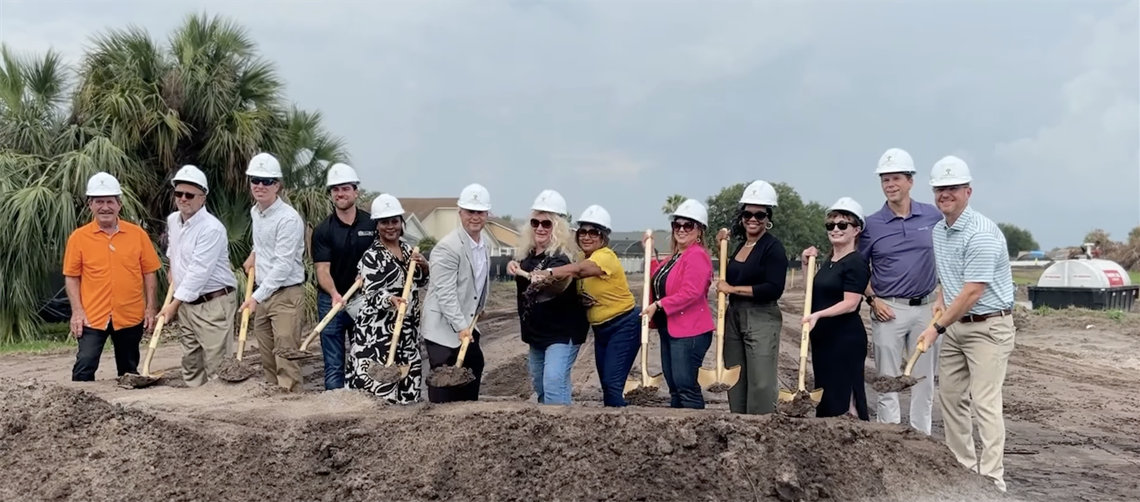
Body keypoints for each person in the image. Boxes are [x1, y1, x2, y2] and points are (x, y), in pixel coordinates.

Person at [916, 155, 1015, 493]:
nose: (945, 194)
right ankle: (963, 469)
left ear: (968, 191)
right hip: (957, 325)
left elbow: (973, 290)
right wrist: (942, 299)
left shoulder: (982, 233)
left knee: (984, 401)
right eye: (940, 189)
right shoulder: (939, 231)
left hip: (988, 327)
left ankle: (991, 478)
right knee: (952, 397)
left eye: (953, 188)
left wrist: (936, 327)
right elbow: (951, 277)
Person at [858, 148, 945, 434]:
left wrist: (942, 296)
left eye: (896, 178)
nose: (890, 184)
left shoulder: (933, 217)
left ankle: (922, 440)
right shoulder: (871, 225)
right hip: (889, 310)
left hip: (926, 309)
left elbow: (948, 256)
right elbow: (857, 269)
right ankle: (891, 438)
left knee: (923, 380)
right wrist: (871, 299)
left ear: (910, 181)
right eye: (885, 179)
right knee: (888, 380)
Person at [63, 172, 161, 381]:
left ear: (119, 204)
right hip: (92, 317)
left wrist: (151, 308)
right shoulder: (78, 238)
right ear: (90, 204)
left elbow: (149, 272)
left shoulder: (137, 235)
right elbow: (72, 277)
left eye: (110, 201)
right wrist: (77, 312)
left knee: (128, 370)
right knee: (84, 366)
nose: (104, 207)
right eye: (99, 201)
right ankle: (79, 410)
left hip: (129, 315)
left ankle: (128, 409)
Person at [540, 205, 640, 407]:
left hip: (623, 325)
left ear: (603, 237)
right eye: (583, 232)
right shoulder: (581, 257)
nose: (586, 237)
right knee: (606, 384)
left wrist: (548, 273)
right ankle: (613, 422)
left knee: (612, 384)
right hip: (601, 329)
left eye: (593, 232)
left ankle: (625, 427)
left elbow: (579, 271)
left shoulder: (605, 256)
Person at [506, 190, 589, 405]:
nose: (540, 228)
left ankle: (562, 431)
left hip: (562, 332)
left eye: (547, 224)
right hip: (536, 333)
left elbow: (555, 283)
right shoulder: (528, 255)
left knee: (553, 382)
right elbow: (525, 275)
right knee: (541, 385)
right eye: (535, 223)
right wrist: (514, 266)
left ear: (557, 227)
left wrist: (542, 277)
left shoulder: (562, 257)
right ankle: (549, 429)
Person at [345, 194, 430, 404]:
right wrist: (390, 299)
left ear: (401, 223)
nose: (390, 226)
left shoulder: (409, 250)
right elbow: (371, 293)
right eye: (384, 222)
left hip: (406, 333)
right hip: (378, 335)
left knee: (408, 394)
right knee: (379, 397)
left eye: (394, 221)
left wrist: (424, 266)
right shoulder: (371, 257)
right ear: (377, 225)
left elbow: (419, 281)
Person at [159, 165, 239, 387]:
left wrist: (173, 306)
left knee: (218, 365)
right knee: (191, 361)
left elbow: (198, 273)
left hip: (213, 302)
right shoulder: (174, 220)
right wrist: (172, 272)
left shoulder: (211, 229)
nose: (183, 199)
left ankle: (222, 409)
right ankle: (195, 411)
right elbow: (174, 253)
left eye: (190, 195)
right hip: (187, 302)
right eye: (179, 193)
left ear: (203, 198)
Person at [713, 180, 788, 415]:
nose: (753, 219)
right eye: (747, 214)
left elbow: (773, 288)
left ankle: (762, 429)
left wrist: (733, 290)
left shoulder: (773, 248)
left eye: (759, 214)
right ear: (741, 216)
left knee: (761, 381)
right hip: (735, 316)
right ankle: (739, 424)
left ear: (768, 217)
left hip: (761, 317)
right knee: (736, 376)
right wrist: (719, 247)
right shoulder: (741, 245)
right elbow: (732, 275)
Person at [240, 153, 307, 393]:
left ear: (277, 185)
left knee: (286, 359)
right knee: (267, 358)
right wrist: (253, 254)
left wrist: (255, 297)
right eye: (255, 180)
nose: (260, 186)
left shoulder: (288, 219)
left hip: (285, 295)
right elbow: (263, 243)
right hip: (264, 293)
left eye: (266, 181)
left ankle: (292, 407)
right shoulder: (255, 212)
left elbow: (283, 266)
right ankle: (272, 412)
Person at [800, 197, 871, 420]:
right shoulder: (830, 261)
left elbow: (851, 304)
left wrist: (819, 314)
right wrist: (804, 264)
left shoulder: (855, 262)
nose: (835, 230)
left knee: (845, 396)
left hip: (844, 339)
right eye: (831, 225)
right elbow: (811, 290)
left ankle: (856, 444)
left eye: (843, 225)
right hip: (824, 339)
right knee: (827, 395)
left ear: (856, 230)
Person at [421, 183, 493, 403]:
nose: (475, 217)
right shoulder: (448, 248)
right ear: (460, 213)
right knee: (444, 380)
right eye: (470, 211)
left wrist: (479, 308)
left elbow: (477, 283)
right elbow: (445, 294)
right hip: (443, 326)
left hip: (467, 323)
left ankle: (467, 419)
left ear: (486, 214)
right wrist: (461, 327)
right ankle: (438, 425)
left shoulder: (486, 244)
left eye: (479, 212)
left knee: (474, 366)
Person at [640, 198, 714, 409]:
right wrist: (650, 251)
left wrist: (659, 305)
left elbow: (691, 292)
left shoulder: (697, 255)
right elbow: (657, 276)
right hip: (670, 329)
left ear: (699, 230)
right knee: (674, 384)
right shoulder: (675, 257)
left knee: (685, 385)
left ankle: (695, 431)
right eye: (677, 225)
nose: (681, 230)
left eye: (688, 225)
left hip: (690, 332)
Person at [311, 163, 376, 391]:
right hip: (332, 301)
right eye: (335, 189)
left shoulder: (372, 224)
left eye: (345, 188)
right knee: (334, 365)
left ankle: (365, 405)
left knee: (366, 358)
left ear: (355, 192)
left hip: (365, 301)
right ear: (331, 194)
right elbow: (322, 269)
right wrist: (334, 294)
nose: (340, 193)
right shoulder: (323, 230)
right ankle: (334, 408)